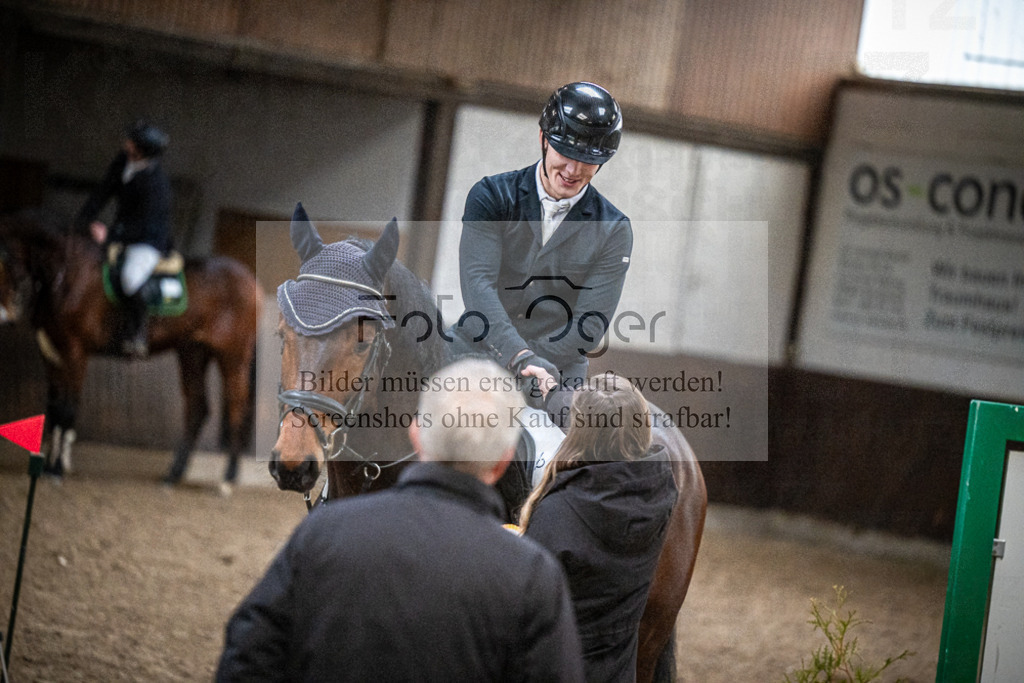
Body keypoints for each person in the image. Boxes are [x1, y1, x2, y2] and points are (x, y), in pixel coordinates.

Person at [216, 358, 584, 682]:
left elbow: (248, 654)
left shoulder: (323, 532)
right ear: (504, 461)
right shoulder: (533, 575)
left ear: (416, 435)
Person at [455, 81, 631, 404]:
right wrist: (518, 355)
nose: (573, 169)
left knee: (564, 449)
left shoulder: (614, 230)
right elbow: (478, 285)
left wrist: (536, 362)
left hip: (556, 374)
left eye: (587, 160)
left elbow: (589, 325)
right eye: (566, 153)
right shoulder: (491, 195)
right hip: (479, 349)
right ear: (543, 139)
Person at [519, 373, 677, 683]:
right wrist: (553, 395)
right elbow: (607, 430)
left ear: (577, 434)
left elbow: (526, 611)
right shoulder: (661, 492)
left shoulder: (557, 515)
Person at [75, 120, 173, 357]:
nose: (125, 143)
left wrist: (110, 234)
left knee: (130, 278)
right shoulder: (123, 160)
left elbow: (143, 225)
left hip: (147, 240)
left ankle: (137, 332)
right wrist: (84, 219)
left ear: (141, 151)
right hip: (122, 233)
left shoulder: (157, 186)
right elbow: (103, 191)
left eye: (131, 142)